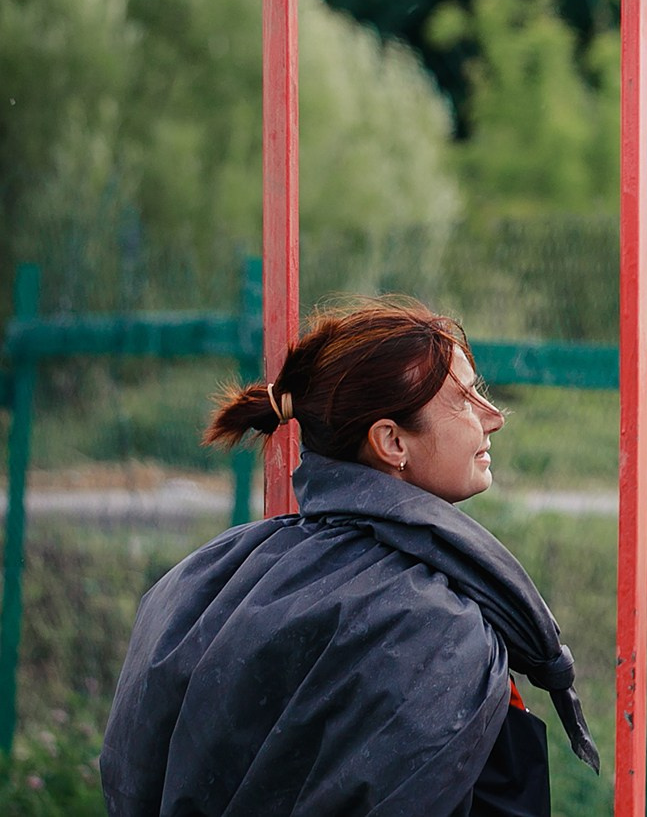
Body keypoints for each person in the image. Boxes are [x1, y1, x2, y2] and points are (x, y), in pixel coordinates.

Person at [101, 298, 597, 817]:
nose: (492, 418)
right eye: (464, 399)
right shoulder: (432, 626)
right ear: (391, 441)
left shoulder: (208, 575)